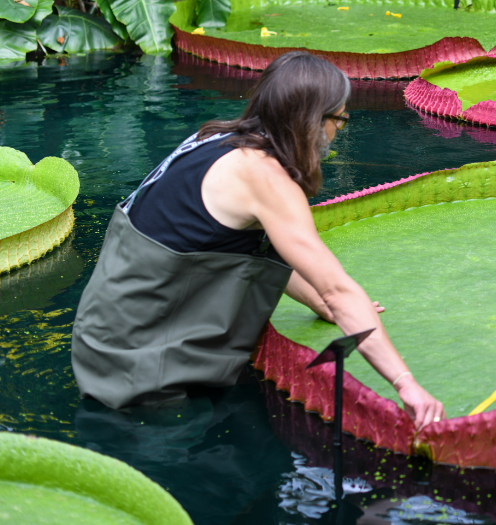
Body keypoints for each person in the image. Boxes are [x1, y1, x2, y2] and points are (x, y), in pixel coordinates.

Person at [72, 51, 443, 427]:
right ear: (313, 122)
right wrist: (406, 383)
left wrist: (317, 302)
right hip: (139, 368)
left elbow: (258, 248)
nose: (338, 133)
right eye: (340, 120)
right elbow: (338, 291)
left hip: (101, 339)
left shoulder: (213, 138)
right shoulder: (265, 178)